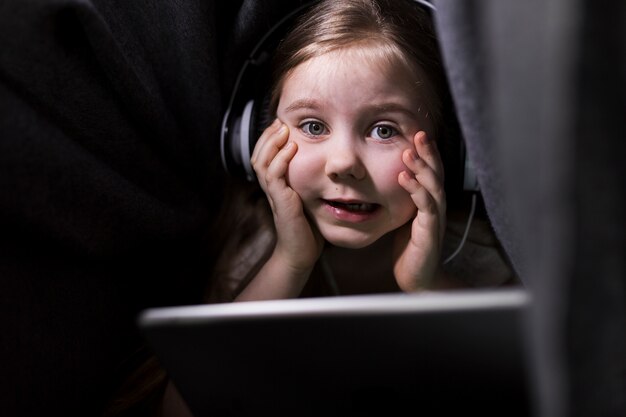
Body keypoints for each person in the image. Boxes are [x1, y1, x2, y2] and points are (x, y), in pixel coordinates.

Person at [104, 0, 519, 415]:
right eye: (313, 126)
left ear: (450, 152)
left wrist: (428, 284)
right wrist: (289, 263)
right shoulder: (253, 258)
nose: (343, 164)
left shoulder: (480, 259)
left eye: (383, 129)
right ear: (255, 140)